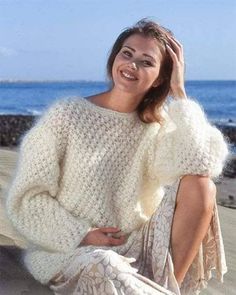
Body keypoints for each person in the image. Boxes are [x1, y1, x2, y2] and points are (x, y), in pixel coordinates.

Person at [6, 19, 229, 294]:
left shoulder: (158, 128)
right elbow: (27, 197)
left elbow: (202, 165)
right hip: (76, 249)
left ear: (161, 77)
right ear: (114, 58)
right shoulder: (67, 116)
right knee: (106, 263)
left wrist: (180, 95)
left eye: (147, 61)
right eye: (127, 53)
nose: (132, 65)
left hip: (135, 244)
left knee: (201, 186)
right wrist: (82, 234)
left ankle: (170, 288)